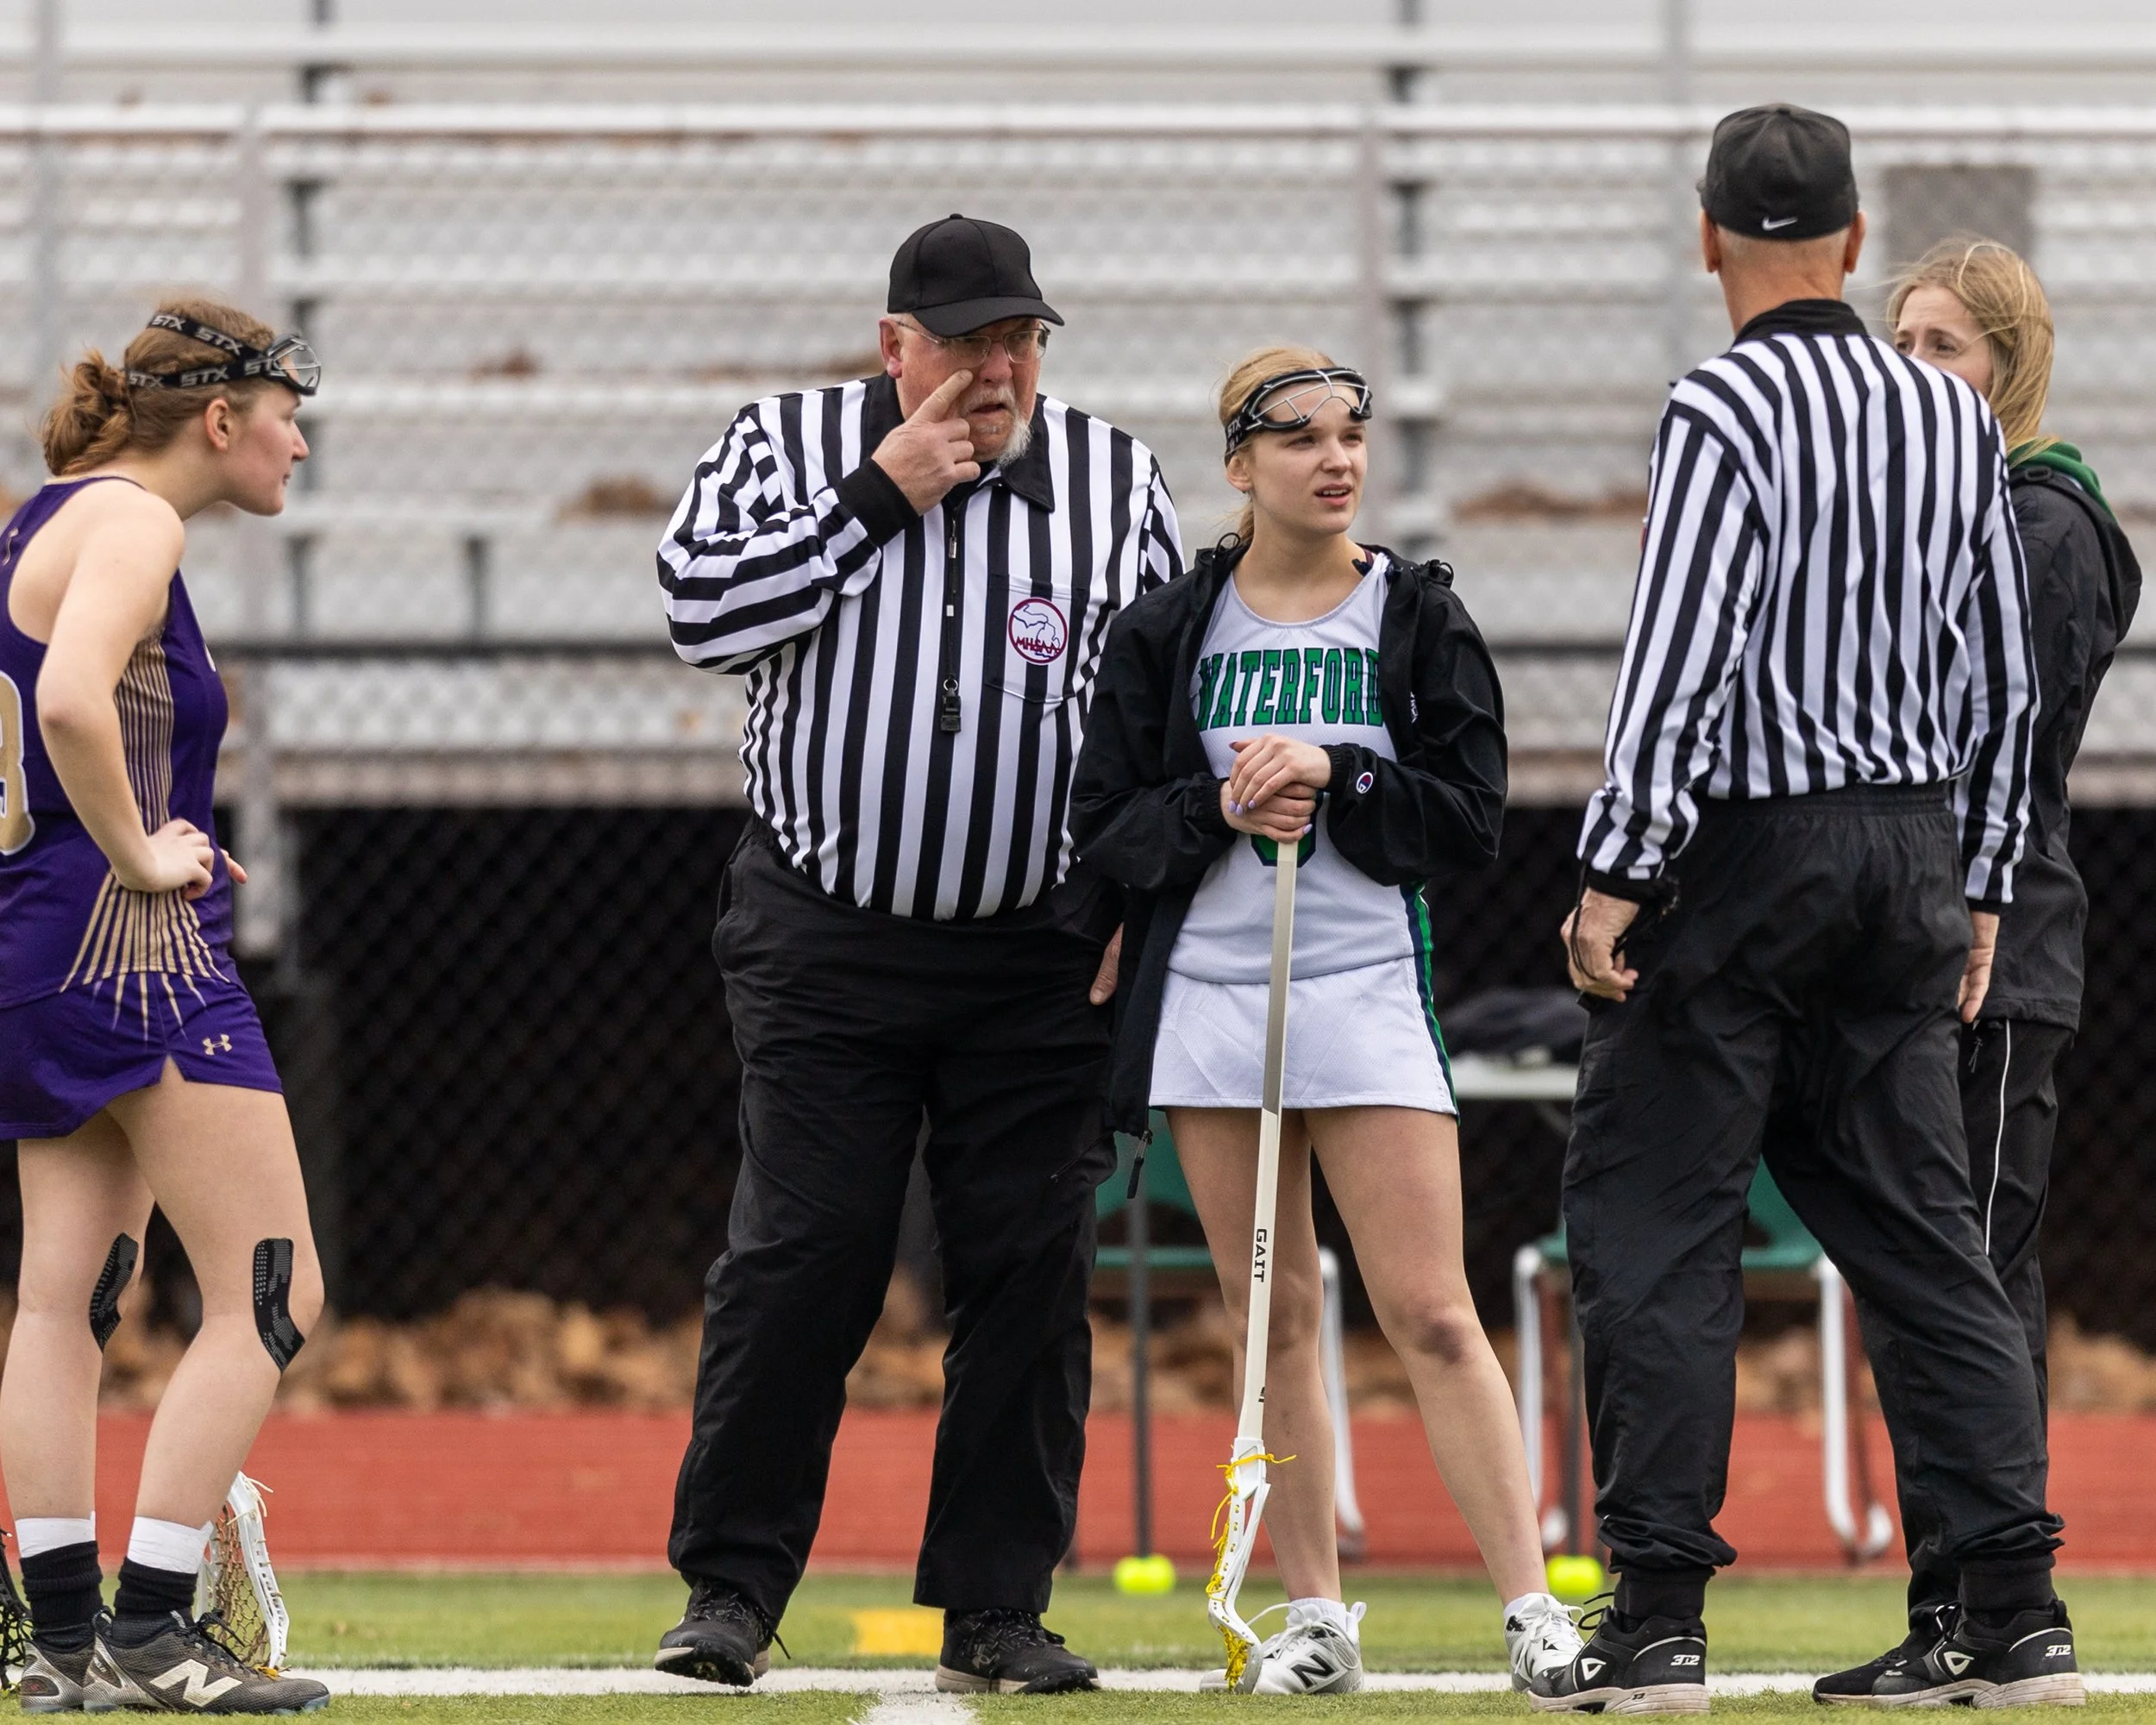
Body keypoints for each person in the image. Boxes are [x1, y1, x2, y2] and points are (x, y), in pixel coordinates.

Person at [1543, 106, 2079, 1712]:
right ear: (1852, 242)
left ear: (1707, 237)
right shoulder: (1949, 415)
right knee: (1927, 1241)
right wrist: (1982, 879)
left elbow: (1683, 647)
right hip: (1909, 848)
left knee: (1658, 1223)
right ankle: (2014, 1609)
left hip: (1748, 852)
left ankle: (1657, 1617)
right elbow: (1999, 674)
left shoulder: (1721, 406)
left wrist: (1618, 868)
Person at [652, 215, 1182, 1694]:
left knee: (1029, 1274)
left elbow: (1154, 709)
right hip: (829, 932)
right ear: (895, 346)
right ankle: (731, 1590)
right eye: (964, 341)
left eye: (1019, 339)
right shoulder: (780, 445)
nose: (996, 368)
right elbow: (700, 616)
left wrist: (1137, 892)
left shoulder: (1114, 476)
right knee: (804, 1256)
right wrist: (875, 500)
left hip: (1040, 948)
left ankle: (997, 1608)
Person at [1069, 346, 1583, 1697]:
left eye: (1351, 431)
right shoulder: (1171, 628)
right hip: (1213, 999)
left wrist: (1343, 772)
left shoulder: (1414, 615)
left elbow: (1469, 816)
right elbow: (1109, 822)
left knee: (1432, 1309)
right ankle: (1315, 1618)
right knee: (1275, 1317)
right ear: (1241, 465)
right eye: (1299, 437)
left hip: (1362, 987)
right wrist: (1218, 806)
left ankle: (1532, 1610)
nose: (1335, 457)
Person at [1809, 238, 2141, 1702]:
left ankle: (2007, 1608)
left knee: (1974, 1278)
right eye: (1900, 342)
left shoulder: (2044, 517)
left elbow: (2000, 734)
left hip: (1993, 947)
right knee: (1926, 1281)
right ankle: (1954, 1609)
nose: (1914, 369)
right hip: (1919, 933)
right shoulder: (1941, 510)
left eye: (1944, 345)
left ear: (2011, 365)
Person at [0, 302, 330, 1714]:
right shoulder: (138, 522)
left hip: (36, 945)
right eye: (287, 418)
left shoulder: (40, 517)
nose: (298, 446)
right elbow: (74, 704)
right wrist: (139, 854)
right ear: (220, 417)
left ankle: (62, 1640)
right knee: (276, 1290)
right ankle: (152, 1628)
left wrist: (136, 831)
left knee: (63, 1296)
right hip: (133, 959)